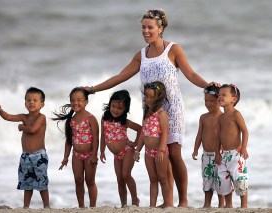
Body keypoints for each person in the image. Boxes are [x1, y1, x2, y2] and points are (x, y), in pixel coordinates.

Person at [84, 9, 218, 207]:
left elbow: (190, 74)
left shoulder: (173, 49)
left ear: (160, 28)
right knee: (157, 156)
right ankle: (167, 201)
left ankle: (182, 200)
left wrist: (208, 85)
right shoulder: (141, 55)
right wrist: (93, 89)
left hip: (172, 110)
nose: (146, 31)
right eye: (143, 27)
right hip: (150, 112)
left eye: (150, 27)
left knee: (173, 153)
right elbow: (120, 76)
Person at [0, 87, 50, 208]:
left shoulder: (42, 117)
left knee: (42, 183)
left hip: (39, 155)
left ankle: (47, 207)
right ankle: (26, 207)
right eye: (29, 100)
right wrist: (0, 110)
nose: (32, 102)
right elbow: (8, 117)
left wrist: (21, 127)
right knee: (27, 183)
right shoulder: (24, 117)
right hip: (25, 156)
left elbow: (33, 129)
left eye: (35, 100)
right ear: (25, 103)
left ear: (42, 104)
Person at [52, 87, 99, 208]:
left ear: (86, 102)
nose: (75, 103)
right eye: (73, 100)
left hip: (89, 155)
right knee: (78, 180)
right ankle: (81, 206)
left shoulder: (91, 118)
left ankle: (93, 206)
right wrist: (65, 158)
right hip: (76, 155)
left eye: (79, 100)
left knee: (90, 181)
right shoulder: (70, 120)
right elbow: (69, 141)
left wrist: (94, 155)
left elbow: (96, 138)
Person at [134, 81, 173, 208]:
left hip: (159, 151)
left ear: (158, 98)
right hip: (148, 152)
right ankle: (152, 206)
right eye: (146, 95)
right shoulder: (146, 113)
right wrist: (137, 150)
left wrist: (161, 150)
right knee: (152, 179)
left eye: (151, 97)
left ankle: (168, 204)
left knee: (162, 178)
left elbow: (165, 132)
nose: (148, 99)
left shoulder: (161, 113)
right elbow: (142, 134)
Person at [100, 90, 142, 207]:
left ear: (125, 110)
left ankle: (135, 199)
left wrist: (135, 144)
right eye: (113, 106)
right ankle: (123, 204)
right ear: (110, 105)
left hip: (127, 151)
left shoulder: (124, 122)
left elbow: (140, 129)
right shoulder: (104, 119)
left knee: (126, 175)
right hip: (116, 155)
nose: (115, 110)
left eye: (120, 108)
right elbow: (103, 136)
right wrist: (102, 151)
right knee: (119, 179)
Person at [215, 84, 249, 208]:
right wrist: (217, 152)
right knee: (224, 180)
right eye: (219, 95)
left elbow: (245, 131)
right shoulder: (220, 118)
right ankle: (228, 205)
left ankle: (243, 206)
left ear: (233, 99)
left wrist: (244, 147)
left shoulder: (236, 114)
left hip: (236, 153)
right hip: (224, 155)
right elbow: (218, 136)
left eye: (224, 95)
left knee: (240, 179)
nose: (220, 97)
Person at [192, 85, 225, 208]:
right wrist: (195, 149)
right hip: (206, 155)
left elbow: (226, 135)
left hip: (219, 155)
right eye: (206, 100)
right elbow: (199, 135)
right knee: (207, 181)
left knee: (220, 180)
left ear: (219, 100)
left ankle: (222, 204)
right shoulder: (203, 117)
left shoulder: (222, 117)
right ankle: (207, 204)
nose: (208, 103)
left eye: (211, 101)